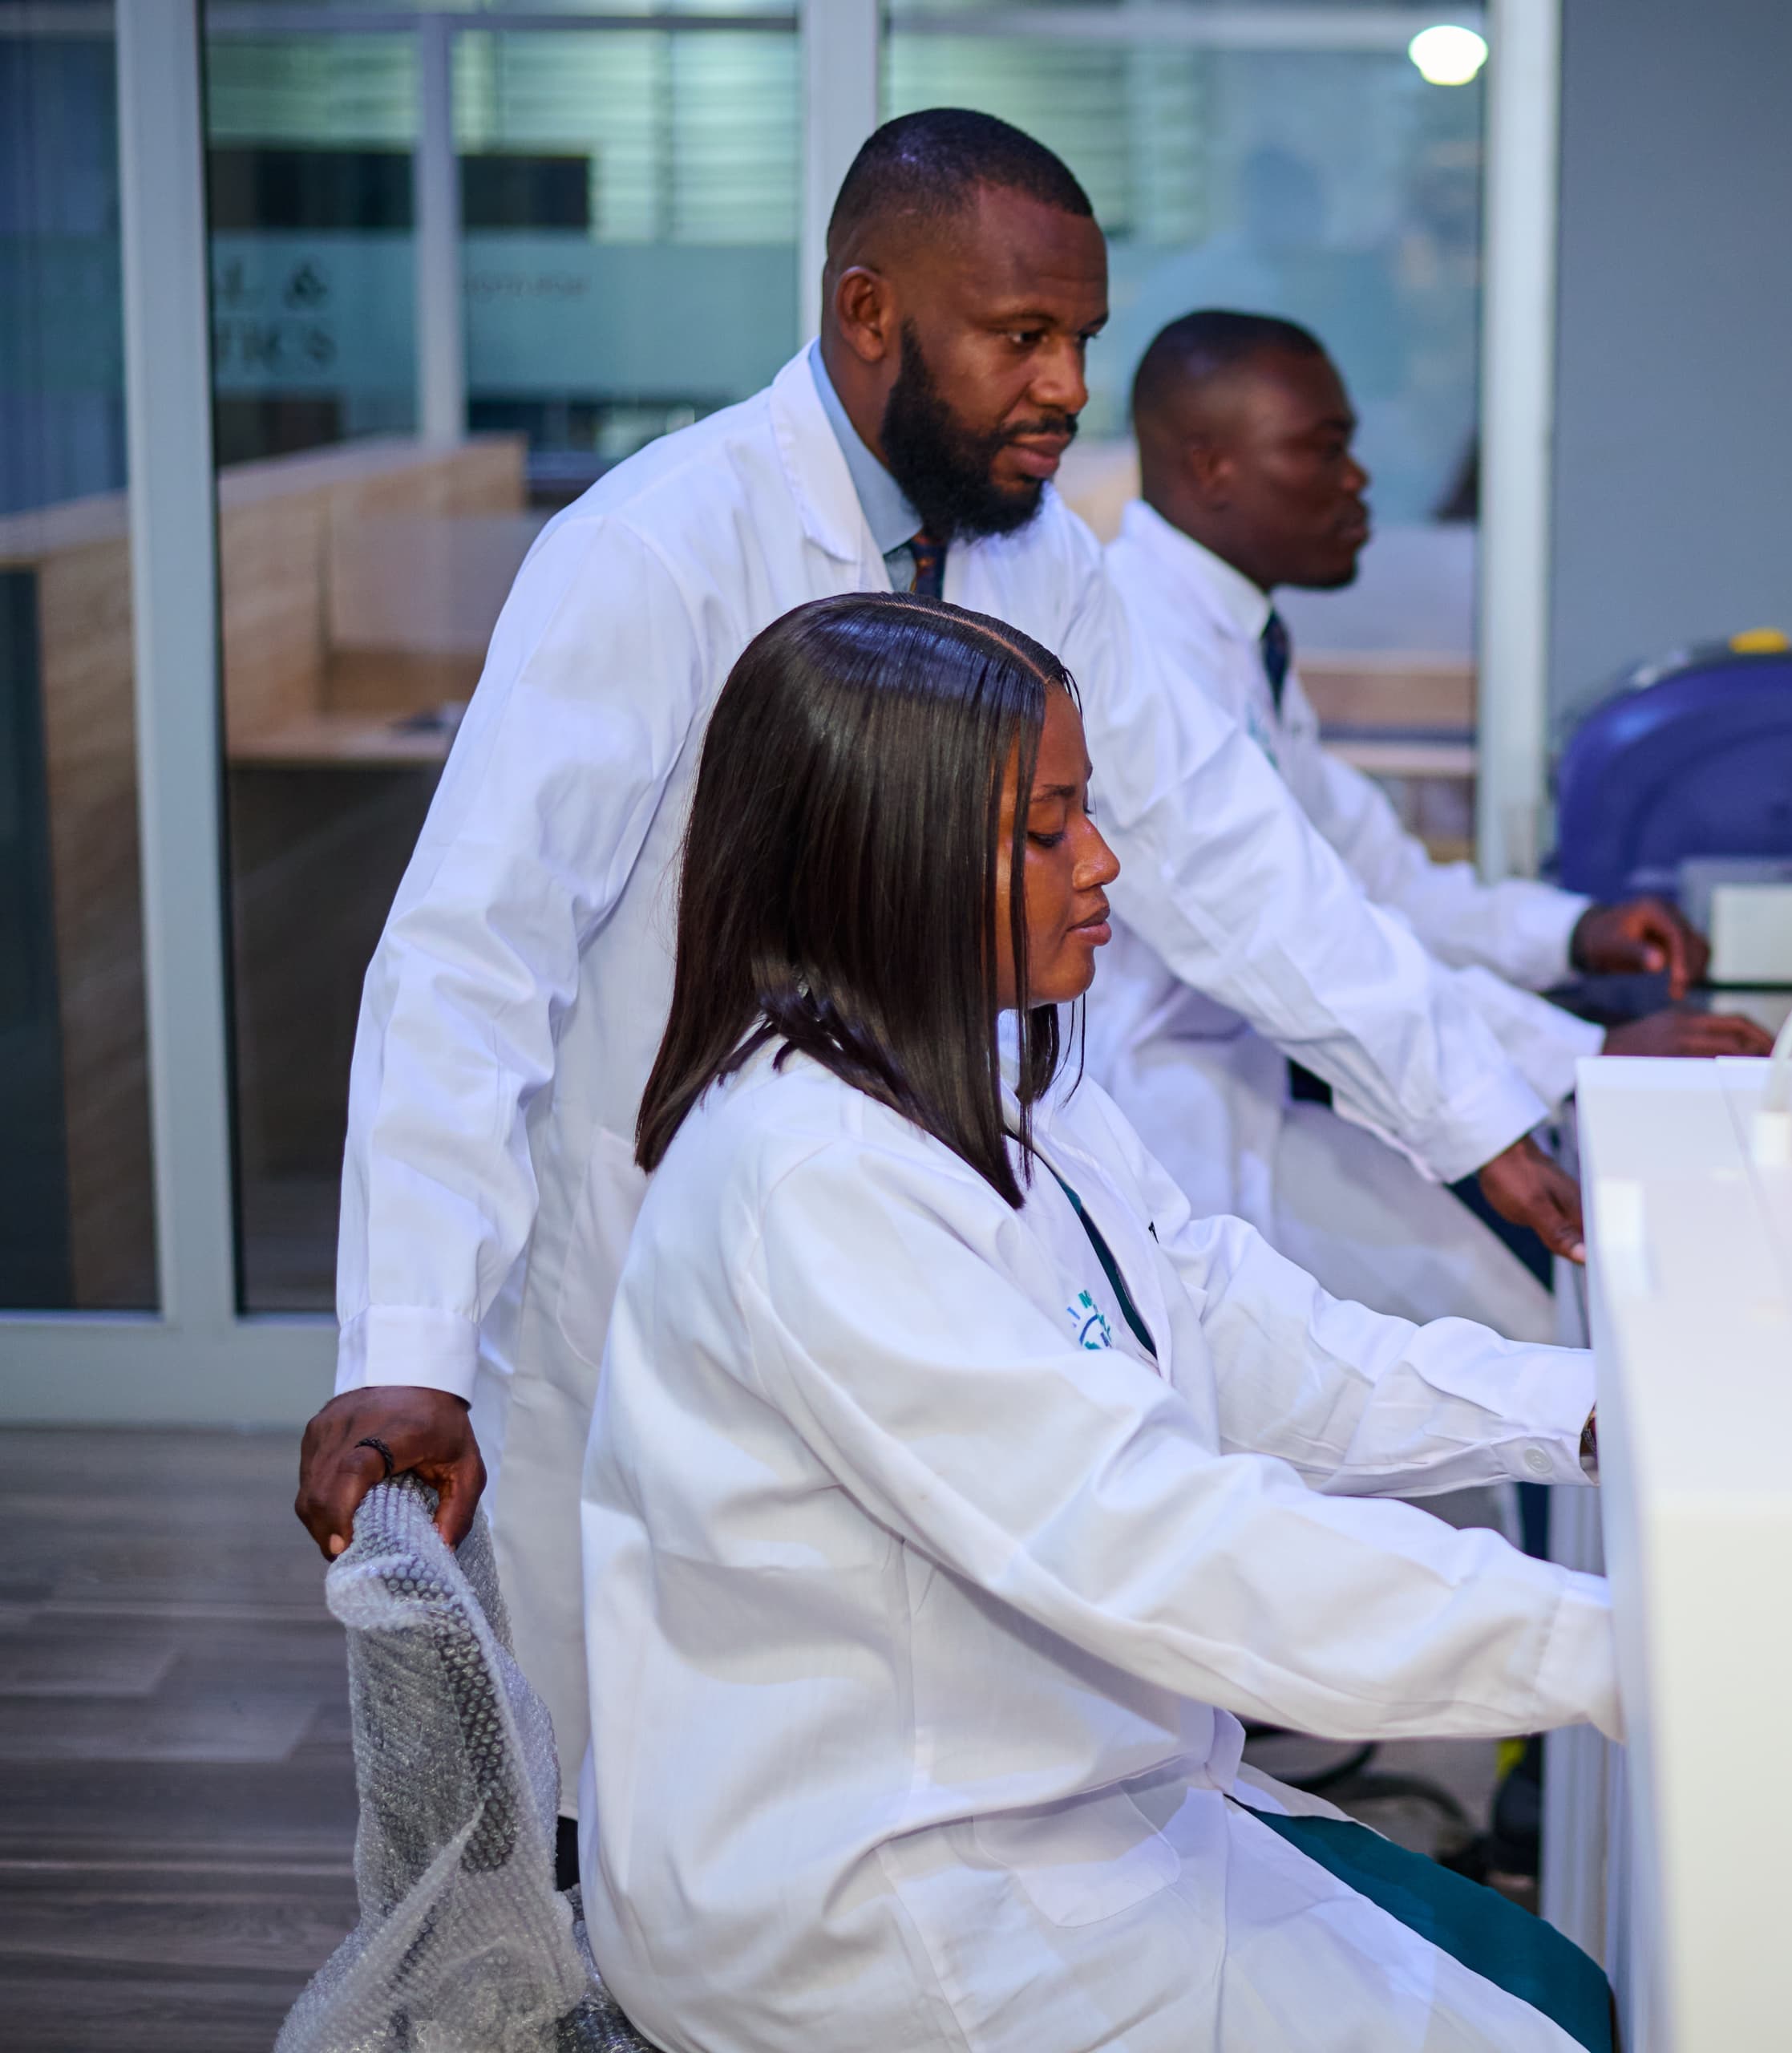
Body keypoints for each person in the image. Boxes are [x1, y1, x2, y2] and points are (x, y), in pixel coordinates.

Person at [293, 111, 1596, 1853]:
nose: (1067, 388)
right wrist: (407, 1343)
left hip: (923, 1232)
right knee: (617, 1789)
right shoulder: (661, 547)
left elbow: (1226, 853)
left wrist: (1474, 1116)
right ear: (868, 313)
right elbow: (476, 950)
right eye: (1021, 337)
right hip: (649, 1248)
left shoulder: (1037, 551)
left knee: (894, 1736)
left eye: (1084, 339)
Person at [580, 593, 1616, 2052]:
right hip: (887, 1901)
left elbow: (1233, 1328)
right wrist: (1611, 1649)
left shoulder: (995, 1069)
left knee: (1562, 1998)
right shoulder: (814, 1182)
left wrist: (1583, 1412)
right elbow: (1160, 1539)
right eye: (1046, 829)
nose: (1103, 861)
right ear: (893, 858)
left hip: (1062, 1801)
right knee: (1554, 2027)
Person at [1102, 310, 1770, 1338]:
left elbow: (1383, 880)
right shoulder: (1144, 648)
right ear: (1212, 467)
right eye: (1321, 449)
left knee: (1538, 1315)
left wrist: (1574, 934)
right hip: (1170, 1128)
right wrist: (1580, 1050)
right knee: (1531, 1327)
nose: (1358, 480)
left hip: (1255, 1089)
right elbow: (1303, 927)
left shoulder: (1236, 635)